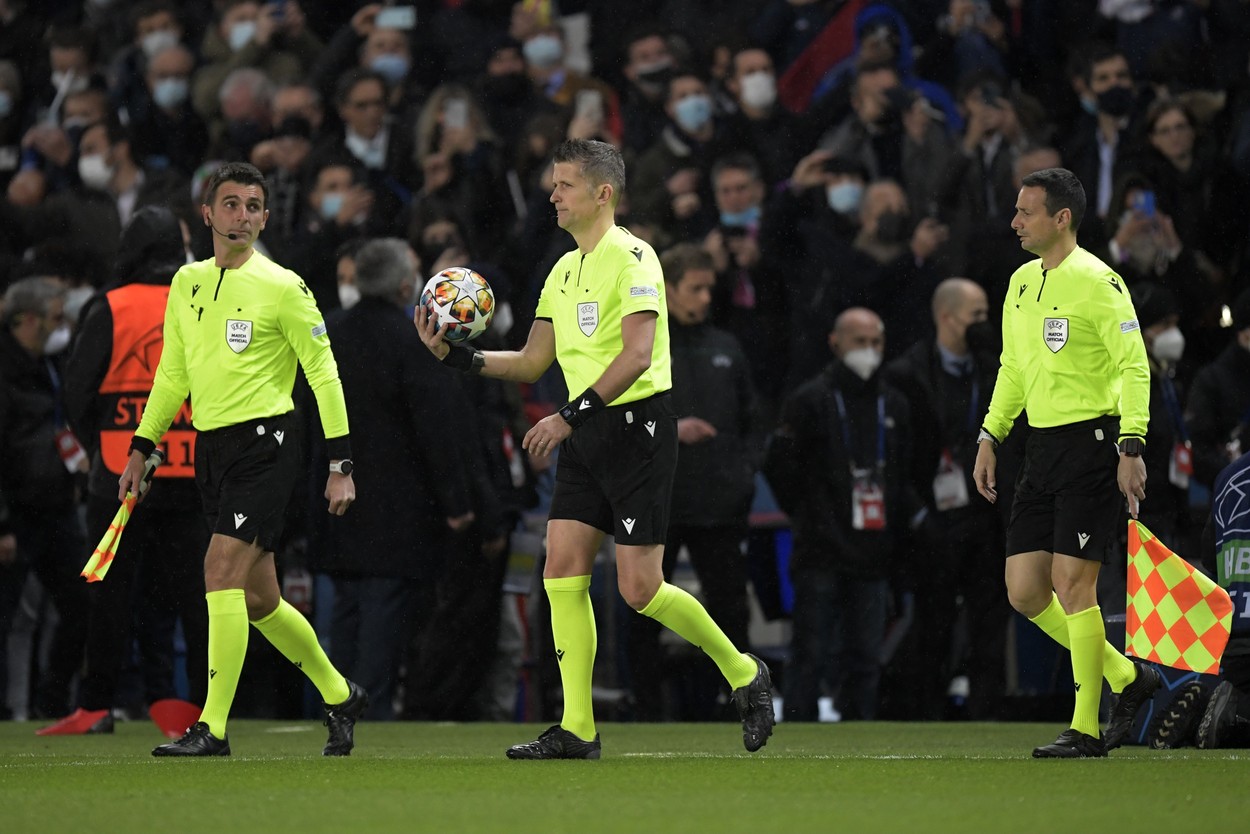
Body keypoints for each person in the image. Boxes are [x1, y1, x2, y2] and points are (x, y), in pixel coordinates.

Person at [416, 139, 774, 759]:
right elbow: (531, 362)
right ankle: (578, 726)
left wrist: (567, 415)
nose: (552, 195)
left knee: (641, 589)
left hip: (636, 428)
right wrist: (461, 357)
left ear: (602, 193)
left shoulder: (636, 258)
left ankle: (744, 671)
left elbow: (638, 356)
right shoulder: (561, 270)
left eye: (564, 185)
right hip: (585, 432)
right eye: (553, 184)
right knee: (562, 571)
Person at [119, 161, 366, 757]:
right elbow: (172, 373)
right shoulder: (187, 284)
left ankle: (214, 727)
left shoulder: (284, 285)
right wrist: (142, 447)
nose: (242, 216)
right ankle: (339, 694)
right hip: (213, 449)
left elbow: (324, 375)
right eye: (231, 205)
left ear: (265, 216)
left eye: (253, 206)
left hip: (268, 444)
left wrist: (341, 465)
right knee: (258, 600)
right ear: (206, 215)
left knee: (218, 573)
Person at [972, 167, 1159, 758]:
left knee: (1074, 585)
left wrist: (1132, 445)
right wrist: (990, 434)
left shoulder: (1099, 283)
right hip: (1042, 447)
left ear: (1062, 219)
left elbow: (1134, 365)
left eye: (1026, 212)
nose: (1015, 221)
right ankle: (1129, 678)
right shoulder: (1022, 282)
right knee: (1024, 592)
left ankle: (1086, 727)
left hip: (1095, 442)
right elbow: (1013, 366)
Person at [43, 206, 209, 736]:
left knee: (108, 594)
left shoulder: (110, 306)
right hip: (191, 473)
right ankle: (205, 709)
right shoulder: (202, 302)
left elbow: (75, 391)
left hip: (120, 477)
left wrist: (100, 444)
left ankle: (96, 706)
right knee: (197, 600)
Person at [763, 307, 918, 721]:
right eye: (859, 342)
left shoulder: (895, 404)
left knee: (866, 654)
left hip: (873, 549)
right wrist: (808, 514)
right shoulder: (810, 400)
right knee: (810, 650)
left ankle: (860, 731)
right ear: (836, 343)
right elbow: (780, 467)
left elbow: (905, 472)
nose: (869, 351)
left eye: (876, 343)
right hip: (820, 547)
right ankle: (799, 728)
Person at [626, 243, 759, 720]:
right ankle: (643, 710)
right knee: (641, 607)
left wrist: (742, 476)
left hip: (720, 505)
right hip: (660, 500)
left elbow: (751, 422)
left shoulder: (727, 346)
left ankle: (736, 706)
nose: (705, 297)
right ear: (668, 290)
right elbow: (622, 416)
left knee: (729, 611)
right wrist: (671, 431)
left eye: (709, 288)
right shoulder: (643, 347)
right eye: (695, 288)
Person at [881, 278, 1011, 720]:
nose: (983, 324)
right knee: (933, 622)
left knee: (989, 622)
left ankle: (985, 712)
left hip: (985, 514)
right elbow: (897, 458)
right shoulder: (906, 374)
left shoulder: (995, 370)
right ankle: (927, 713)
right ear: (947, 317)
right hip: (934, 519)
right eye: (976, 315)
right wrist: (917, 516)